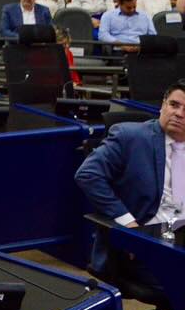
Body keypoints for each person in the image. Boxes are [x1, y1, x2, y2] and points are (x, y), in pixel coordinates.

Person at [75, 82, 185, 273]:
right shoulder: (130, 136)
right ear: (163, 105)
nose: (179, 113)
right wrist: (129, 226)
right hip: (143, 244)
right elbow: (88, 174)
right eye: (174, 105)